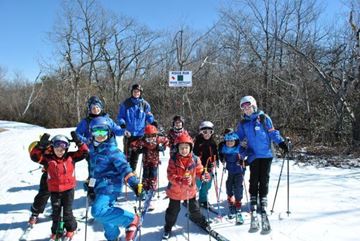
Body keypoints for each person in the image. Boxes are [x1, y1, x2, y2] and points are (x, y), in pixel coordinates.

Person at [235, 95, 288, 232]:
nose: (246, 109)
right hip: (253, 155)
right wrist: (241, 153)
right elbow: (238, 140)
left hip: (266, 155)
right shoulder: (243, 123)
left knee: (264, 178)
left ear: (254, 106)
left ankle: (263, 197)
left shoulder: (264, 118)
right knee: (253, 178)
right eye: (244, 108)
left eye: (248, 106)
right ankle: (253, 198)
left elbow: (272, 133)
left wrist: (281, 143)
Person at [88, 116, 142, 241]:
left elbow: (125, 168)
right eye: (97, 131)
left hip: (110, 186)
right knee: (107, 214)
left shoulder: (112, 150)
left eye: (103, 131)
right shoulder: (93, 150)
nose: (100, 135)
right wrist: (90, 185)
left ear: (109, 132)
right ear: (92, 133)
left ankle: (132, 219)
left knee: (98, 211)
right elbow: (93, 171)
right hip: (99, 186)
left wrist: (133, 183)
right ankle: (113, 237)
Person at [30, 132, 89, 241]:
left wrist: (79, 142)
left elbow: (85, 152)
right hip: (54, 190)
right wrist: (40, 146)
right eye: (57, 149)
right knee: (56, 212)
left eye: (62, 149)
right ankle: (56, 231)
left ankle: (71, 228)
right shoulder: (48, 159)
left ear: (66, 149)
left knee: (67, 212)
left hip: (68, 190)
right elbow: (34, 156)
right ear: (52, 148)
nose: (60, 152)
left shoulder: (71, 157)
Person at [75, 96, 125, 200]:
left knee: (110, 171)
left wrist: (124, 130)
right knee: (94, 173)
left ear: (101, 108)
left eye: (97, 107)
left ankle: (110, 191)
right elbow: (77, 133)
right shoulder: (86, 121)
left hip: (109, 150)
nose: (95, 109)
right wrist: (85, 140)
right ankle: (92, 191)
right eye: (93, 108)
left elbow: (117, 131)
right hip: (93, 151)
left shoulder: (108, 120)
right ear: (90, 109)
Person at [162, 132, 210, 240]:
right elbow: (170, 175)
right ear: (177, 148)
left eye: (186, 147)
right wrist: (180, 180)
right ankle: (168, 227)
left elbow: (199, 170)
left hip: (190, 190)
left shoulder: (195, 159)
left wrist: (204, 175)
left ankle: (202, 222)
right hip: (175, 191)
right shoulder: (173, 160)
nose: (184, 150)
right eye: (181, 148)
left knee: (195, 209)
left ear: (191, 147)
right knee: (172, 211)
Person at [117, 84, 156, 172]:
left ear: (140, 93)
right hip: (128, 133)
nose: (136, 93)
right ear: (132, 92)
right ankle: (126, 172)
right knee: (127, 154)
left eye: (138, 92)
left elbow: (148, 116)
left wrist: (152, 121)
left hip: (140, 133)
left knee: (136, 154)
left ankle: (133, 171)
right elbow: (120, 116)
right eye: (135, 91)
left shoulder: (145, 104)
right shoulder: (126, 103)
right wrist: (122, 124)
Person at [130, 124, 169, 210]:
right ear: (145, 135)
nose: (151, 138)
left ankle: (151, 191)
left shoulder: (158, 139)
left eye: (153, 135)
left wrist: (162, 147)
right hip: (146, 162)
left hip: (155, 162)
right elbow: (133, 144)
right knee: (145, 176)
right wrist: (139, 150)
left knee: (153, 176)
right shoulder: (143, 141)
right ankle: (145, 191)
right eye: (148, 136)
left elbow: (167, 141)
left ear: (156, 135)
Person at [219, 131, 246, 223]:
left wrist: (242, 159)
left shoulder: (239, 149)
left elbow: (246, 153)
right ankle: (230, 198)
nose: (229, 143)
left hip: (239, 171)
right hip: (230, 171)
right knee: (229, 185)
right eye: (227, 141)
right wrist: (222, 158)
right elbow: (221, 154)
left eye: (231, 141)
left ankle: (238, 201)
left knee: (238, 186)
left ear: (235, 141)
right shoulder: (224, 149)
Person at [193, 121, 219, 208]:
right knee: (197, 183)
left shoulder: (213, 143)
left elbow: (215, 154)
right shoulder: (198, 142)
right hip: (199, 168)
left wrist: (216, 161)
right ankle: (190, 199)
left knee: (207, 184)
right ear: (201, 132)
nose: (207, 134)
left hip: (209, 167)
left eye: (210, 132)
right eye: (205, 132)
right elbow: (194, 154)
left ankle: (203, 199)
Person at [27, 136, 52, 226]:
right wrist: (40, 147)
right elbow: (35, 156)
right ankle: (35, 214)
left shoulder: (54, 146)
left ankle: (60, 213)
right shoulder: (41, 155)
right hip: (48, 176)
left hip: (62, 176)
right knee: (43, 195)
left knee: (62, 196)